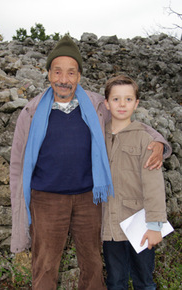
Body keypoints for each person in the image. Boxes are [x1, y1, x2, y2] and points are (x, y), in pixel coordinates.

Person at [10, 36, 171, 290]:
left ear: (79, 75)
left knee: (93, 265)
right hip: (47, 199)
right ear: (48, 73)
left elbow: (131, 124)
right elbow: (18, 164)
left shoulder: (97, 104)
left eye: (71, 72)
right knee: (45, 267)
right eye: (58, 71)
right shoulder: (30, 112)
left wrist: (159, 142)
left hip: (89, 199)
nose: (64, 79)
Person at [102, 75, 168, 290]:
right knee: (115, 281)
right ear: (106, 103)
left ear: (137, 103)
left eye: (128, 99)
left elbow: (153, 184)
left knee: (144, 281)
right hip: (110, 227)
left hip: (139, 225)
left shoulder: (145, 139)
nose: (122, 104)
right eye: (116, 99)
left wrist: (155, 225)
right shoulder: (99, 136)